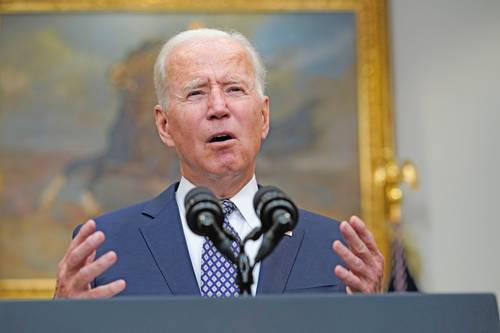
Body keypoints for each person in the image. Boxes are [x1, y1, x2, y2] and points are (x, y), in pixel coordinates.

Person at [54, 28, 384, 298]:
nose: (218, 107)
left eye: (234, 89)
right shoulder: (105, 246)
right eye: (196, 93)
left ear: (264, 117)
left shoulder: (335, 249)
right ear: (164, 126)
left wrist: (373, 316)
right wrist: (59, 320)